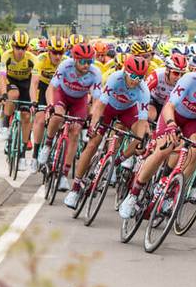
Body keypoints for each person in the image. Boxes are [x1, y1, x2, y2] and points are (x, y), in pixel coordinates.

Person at [118, 57, 196, 219]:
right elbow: (170, 106)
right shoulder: (188, 80)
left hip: (194, 120)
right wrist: (171, 124)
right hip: (173, 115)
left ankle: (171, 192)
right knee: (164, 148)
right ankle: (133, 194)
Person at [64, 55, 152, 210]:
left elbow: (143, 122)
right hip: (108, 109)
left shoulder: (143, 90)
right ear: (126, 71)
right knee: (93, 144)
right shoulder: (115, 78)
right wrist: (93, 125)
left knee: (140, 137)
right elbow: (99, 106)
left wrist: (141, 138)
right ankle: (75, 187)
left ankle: (116, 162)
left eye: (140, 77)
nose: (136, 80)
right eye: (133, 76)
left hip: (127, 111)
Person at [36, 43, 103, 191]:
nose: (86, 65)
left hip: (80, 100)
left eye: (89, 61)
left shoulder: (95, 73)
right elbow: (51, 88)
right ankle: (47, 145)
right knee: (58, 115)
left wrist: (92, 117)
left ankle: (63, 175)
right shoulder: (65, 65)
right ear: (75, 59)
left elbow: (97, 100)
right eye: (83, 61)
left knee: (76, 131)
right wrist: (50, 105)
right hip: (62, 95)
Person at [28, 36, 69, 170]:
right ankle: (35, 156)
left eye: (60, 52)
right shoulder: (41, 59)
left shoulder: (66, 61)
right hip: (43, 86)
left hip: (59, 89)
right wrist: (34, 102)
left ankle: (56, 147)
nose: (57, 56)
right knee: (40, 119)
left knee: (61, 118)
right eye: (54, 52)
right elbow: (34, 83)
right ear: (48, 51)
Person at [0, 31, 36, 142]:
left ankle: (23, 150)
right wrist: (4, 94)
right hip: (11, 80)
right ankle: (5, 125)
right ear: (13, 46)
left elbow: (35, 81)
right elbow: (2, 77)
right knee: (13, 94)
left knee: (26, 116)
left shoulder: (32, 58)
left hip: (25, 83)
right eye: (18, 48)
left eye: (23, 48)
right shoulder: (6, 56)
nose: (20, 51)